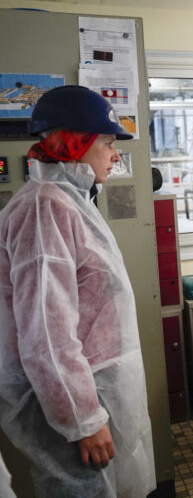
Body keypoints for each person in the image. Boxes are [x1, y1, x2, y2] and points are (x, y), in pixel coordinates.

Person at [0, 85, 155, 497]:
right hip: (71, 409)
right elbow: (45, 336)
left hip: (93, 394)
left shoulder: (69, 202)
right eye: (107, 142)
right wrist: (83, 420)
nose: (115, 154)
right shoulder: (43, 208)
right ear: (74, 144)